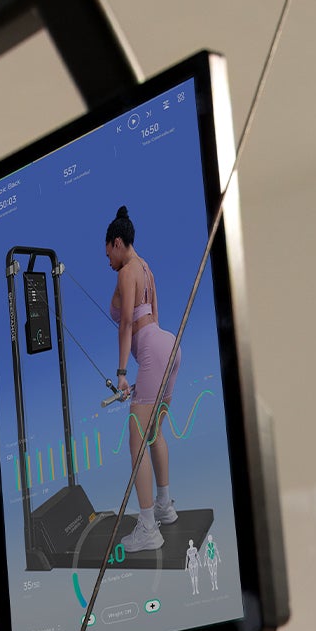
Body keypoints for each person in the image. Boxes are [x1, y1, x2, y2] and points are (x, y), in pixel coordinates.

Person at [106, 205, 180, 552]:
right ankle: (165, 508)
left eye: (108, 252)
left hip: (152, 351)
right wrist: (148, 368)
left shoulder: (126, 272)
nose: (108, 260)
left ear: (118, 243)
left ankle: (149, 528)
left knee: (136, 441)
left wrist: (123, 373)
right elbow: (155, 314)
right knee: (155, 434)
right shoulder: (146, 266)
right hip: (168, 344)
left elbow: (125, 326)